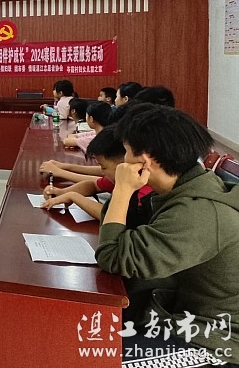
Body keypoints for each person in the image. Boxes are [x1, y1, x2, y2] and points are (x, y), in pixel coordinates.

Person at [96, 104, 239, 363]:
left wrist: (122, 190)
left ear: (144, 160)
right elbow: (125, 239)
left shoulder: (198, 212)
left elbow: (112, 256)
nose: (123, 161)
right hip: (182, 317)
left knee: (95, 356)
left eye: (126, 151)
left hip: (216, 342)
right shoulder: (189, 188)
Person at [43, 125, 153, 225]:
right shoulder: (122, 178)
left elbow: (114, 218)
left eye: (104, 167)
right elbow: (93, 185)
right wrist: (61, 192)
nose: (102, 172)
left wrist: (73, 196)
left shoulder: (145, 191)